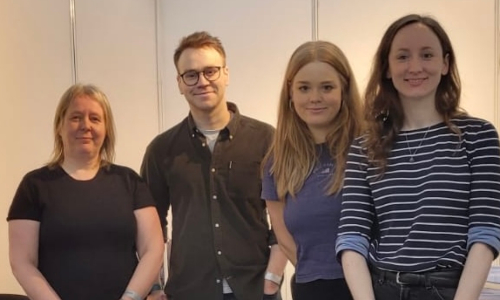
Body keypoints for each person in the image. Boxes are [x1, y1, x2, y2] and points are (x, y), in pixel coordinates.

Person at [336, 14, 500, 300]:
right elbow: (352, 238)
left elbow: (485, 233)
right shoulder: (364, 147)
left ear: (445, 63)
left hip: (448, 289)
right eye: (402, 56)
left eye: (427, 55)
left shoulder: (478, 136)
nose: (415, 67)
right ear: (387, 67)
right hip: (381, 287)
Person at [141, 31, 288, 300]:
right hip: (189, 291)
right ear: (180, 83)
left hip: (254, 291)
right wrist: (153, 286)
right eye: (191, 75)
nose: (202, 82)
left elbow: (286, 216)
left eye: (211, 71)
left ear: (226, 74)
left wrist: (272, 278)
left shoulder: (267, 140)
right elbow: (149, 228)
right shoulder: (161, 150)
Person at [7, 84, 165, 300]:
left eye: (95, 118)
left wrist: (131, 298)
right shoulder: (34, 185)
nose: (85, 125)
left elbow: (152, 249)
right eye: (76, 117)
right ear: (59, 126)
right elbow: (22, 262)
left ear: (106, 129)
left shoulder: (130, 181)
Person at [261, 41, 363, 300]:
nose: (314, 97)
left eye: (327, 87)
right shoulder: (278, 161)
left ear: (344, 90)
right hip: (311, 288)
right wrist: (315, 271)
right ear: (290, 93)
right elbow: (282, 234)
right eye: (304, 88)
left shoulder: (369, 149)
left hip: (371, 286)